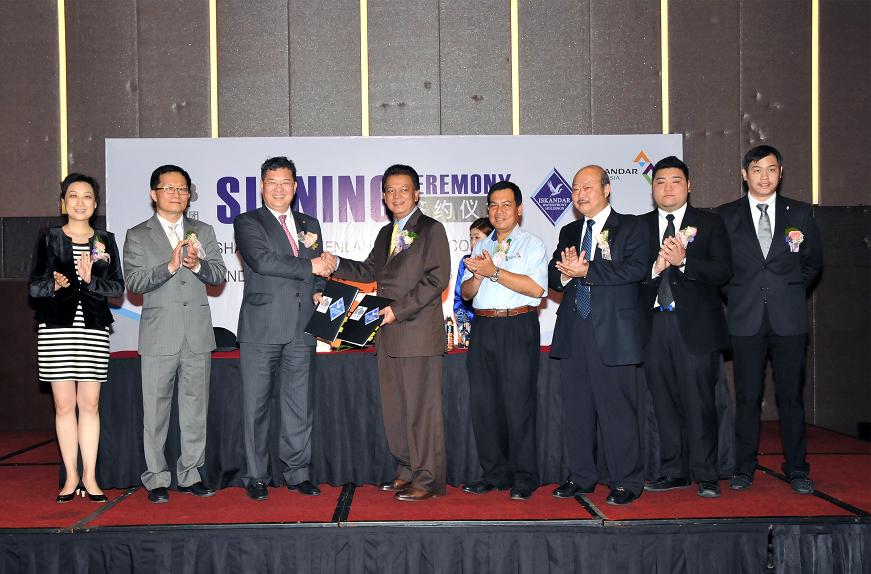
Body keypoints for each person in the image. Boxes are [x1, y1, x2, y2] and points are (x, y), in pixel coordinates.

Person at [323, 164, 451, 501]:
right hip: (388, 336)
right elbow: (369, 270)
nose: (396, 196)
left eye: (403, 189)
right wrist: (336, 263)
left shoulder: (431, 229)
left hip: (418, 334)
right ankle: (407, 469)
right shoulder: (385, 234)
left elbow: (436, 279)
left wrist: (398, 310)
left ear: (417, 193)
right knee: (396, 410)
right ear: (383, 195)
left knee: (422, 411)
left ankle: (428, 479)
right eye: (390, 190)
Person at [717, 145, 823, 494]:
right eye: (757, 170)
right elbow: (720, 268)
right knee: (747, 398)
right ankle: (743, 467)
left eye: (771, 169)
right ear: (744, 174)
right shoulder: (725, 216)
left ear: (781, 172)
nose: (764, 176)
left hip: (788, 320)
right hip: (745, 319)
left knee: (791, 398)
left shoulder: (801, 213)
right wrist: (739, 294)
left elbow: (813, 264)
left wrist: (787, 291)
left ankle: (797, 469)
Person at [123, 165, 226, 504]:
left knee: (196, 410)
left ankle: (191, 473)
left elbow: (218, 275)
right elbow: (134, 282)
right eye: (169, 188)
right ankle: (156, 477)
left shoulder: (203, 230)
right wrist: (169, 266)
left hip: (197, 333)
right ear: (153, 194)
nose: (176, 194)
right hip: (159, 335)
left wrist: (196, 265)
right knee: (155, 411)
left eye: (182, 189)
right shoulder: (138, 235)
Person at [548, 165, 649, 505]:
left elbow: (636, 268)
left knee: (617, 410)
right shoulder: (569, 230)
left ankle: (626, 480)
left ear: (607, 190)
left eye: (588, 187)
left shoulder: (631, 226)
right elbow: (553, 275)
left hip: (614, 332)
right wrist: (566, 273)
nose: (580, 194)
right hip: (574, 328)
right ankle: (581, 476)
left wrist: (588, 269)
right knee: (577, 410)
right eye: (576, 188)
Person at [233, 156, 332, 501]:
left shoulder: (309, 223)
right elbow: (262, 261)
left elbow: (318, 273)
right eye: (272, 182)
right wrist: (311, 266)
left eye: (285, 182)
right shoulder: (248, 222)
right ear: (262, 186)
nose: (279, 189)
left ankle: (298, 472)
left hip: (303, 327)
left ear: (295, 186)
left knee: (299, 405)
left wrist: (319, 288)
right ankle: (256, 476)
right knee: (255, 407)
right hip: (262, 327)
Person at [638, 156, 732, 498]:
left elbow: (723, 271)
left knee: (699, 402)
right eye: (660, 181)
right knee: (662, 403)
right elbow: (629, 276)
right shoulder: (638, 227)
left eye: (675, 181)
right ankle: (673, 470)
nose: (667, 188)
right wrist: (654, 269)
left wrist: (684, 262)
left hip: (695, 326)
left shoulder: (709, 222)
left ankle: (706, 473)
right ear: (652, 188)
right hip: (652, 325)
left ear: (689, 186)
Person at [29, 173, 124, 503]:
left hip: (93, 329)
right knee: (63, 405)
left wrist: (89, 279)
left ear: (95, 204)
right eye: (73, 195)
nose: (80, 202)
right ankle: (70, 476)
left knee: (90, 404)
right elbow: (34, 287)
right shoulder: (49, 238)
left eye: (87, 196)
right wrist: (54, 285)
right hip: (56, 330)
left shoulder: (105, 241)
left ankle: (90, 476)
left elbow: (117, 287)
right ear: (63, 202)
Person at [459, 182, 548, 501]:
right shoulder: (481, 246)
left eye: (506, 205)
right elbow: (466, 294)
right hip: (484, 326)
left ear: (519, 210)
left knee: (519, 403)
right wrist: (477, 277)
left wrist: (494, 272)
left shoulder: (532, 244)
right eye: (494, 205)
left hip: (517, 325)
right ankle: (494, 473)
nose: (499, 211)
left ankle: (524, 476)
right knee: (485, 405)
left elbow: (537, 289)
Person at [453, 217, 494, 332]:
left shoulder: (499, 260)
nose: (473, 242)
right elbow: (459, 298)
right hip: (474, 324)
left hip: (499, 321)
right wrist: (465, 327)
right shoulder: (466, 261)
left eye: (477, 237)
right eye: (471, 238)